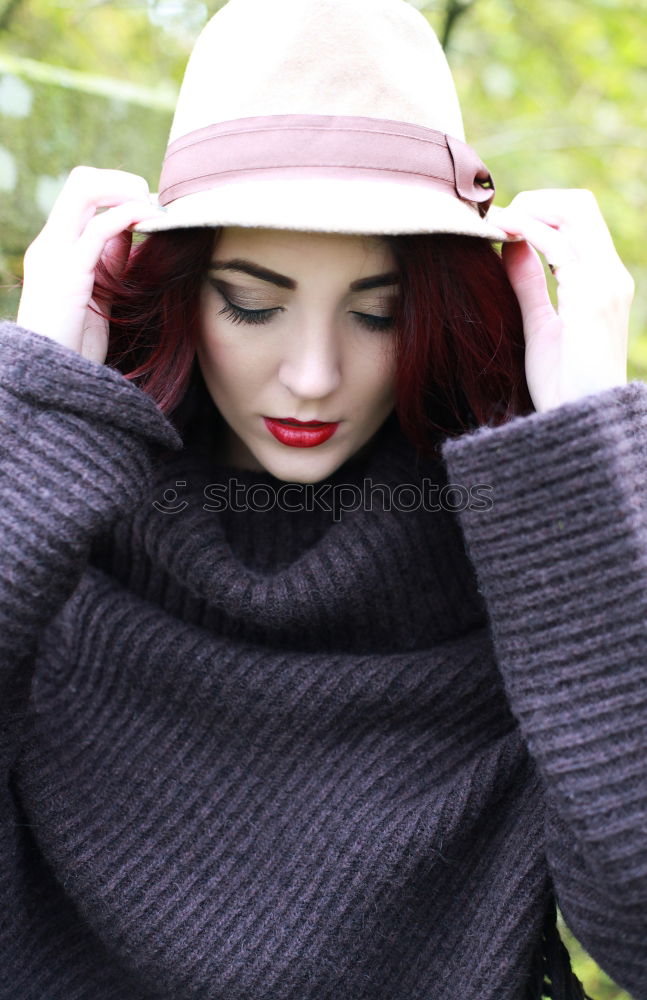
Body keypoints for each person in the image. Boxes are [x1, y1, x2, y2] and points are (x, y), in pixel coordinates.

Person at [1, 0, 644, 998]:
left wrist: (581, 461)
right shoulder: (49, 545)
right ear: (175, 288)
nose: (311, 374)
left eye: (377, 311)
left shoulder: (528, 560)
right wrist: (36, 417)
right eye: (252, 303)